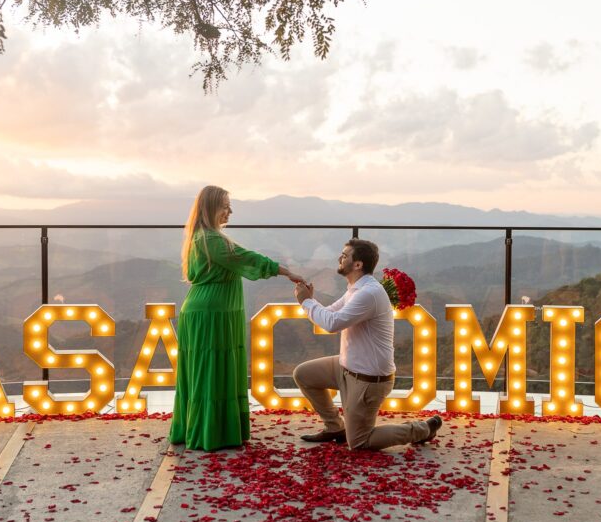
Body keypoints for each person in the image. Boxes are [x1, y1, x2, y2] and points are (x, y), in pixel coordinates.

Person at [169, 186, 304, 451]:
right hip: (211, 314)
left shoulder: (205, 237)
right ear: (210, 208)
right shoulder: (211, 241)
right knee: (212, 371)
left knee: (208, 372)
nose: (230, 211)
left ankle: (205, 428)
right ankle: (211, 433)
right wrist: (287, 272)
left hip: (212, 311)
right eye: (225, 206)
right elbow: (247, 259)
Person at [293, 238, 441, 450]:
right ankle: (335, 427)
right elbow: (332, 312)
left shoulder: (368, 293)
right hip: (346, 367)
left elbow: (332, 324)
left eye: (344, 256)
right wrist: (311, 301)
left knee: (359, 442)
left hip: (368, 379)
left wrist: (306, 302)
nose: (340, 258)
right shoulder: (356, 288)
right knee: (304, 374)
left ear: (358, 264)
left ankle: (422, 429)